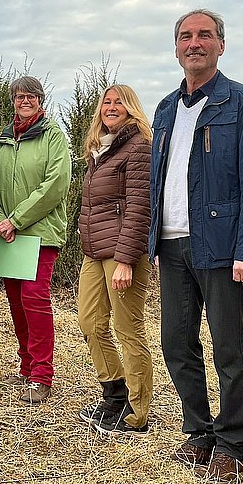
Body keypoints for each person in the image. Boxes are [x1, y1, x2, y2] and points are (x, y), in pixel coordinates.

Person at [149, 9, 243, 481]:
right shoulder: (164, 109)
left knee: (227, 344)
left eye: (204, 35)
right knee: (176, 343)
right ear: (176, 47)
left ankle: (233, 438)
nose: (194, 43)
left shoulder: (241, 103)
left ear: (221, 44)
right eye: (185, 36)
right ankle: (199, 431)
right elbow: (157, 181)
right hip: (172, 244)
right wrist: (151, 240)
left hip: (220, 245)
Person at [0, 76, 70, 404]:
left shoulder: (54, 136)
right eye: (19, 96)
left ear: (40, 99)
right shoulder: (1, 140)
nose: (24, 101)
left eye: (30, 96)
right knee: (16, 303)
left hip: (40, 233)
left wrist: (17, 219)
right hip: (7, 235)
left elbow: (56, 184)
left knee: (35, 300)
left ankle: (42, 375)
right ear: (13, 101)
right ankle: (26, 366)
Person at [77, 84, 153, 432]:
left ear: (131, 108)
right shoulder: (100, 151)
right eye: (106, 102)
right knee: (90, 323)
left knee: (128, 329)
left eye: (118, 102)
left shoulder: (137, 147)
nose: (111, 107)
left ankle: (136, 413)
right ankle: (114, 393)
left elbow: (139, 207)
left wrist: (125, 259)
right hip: (94, 252)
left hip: (123, 254)